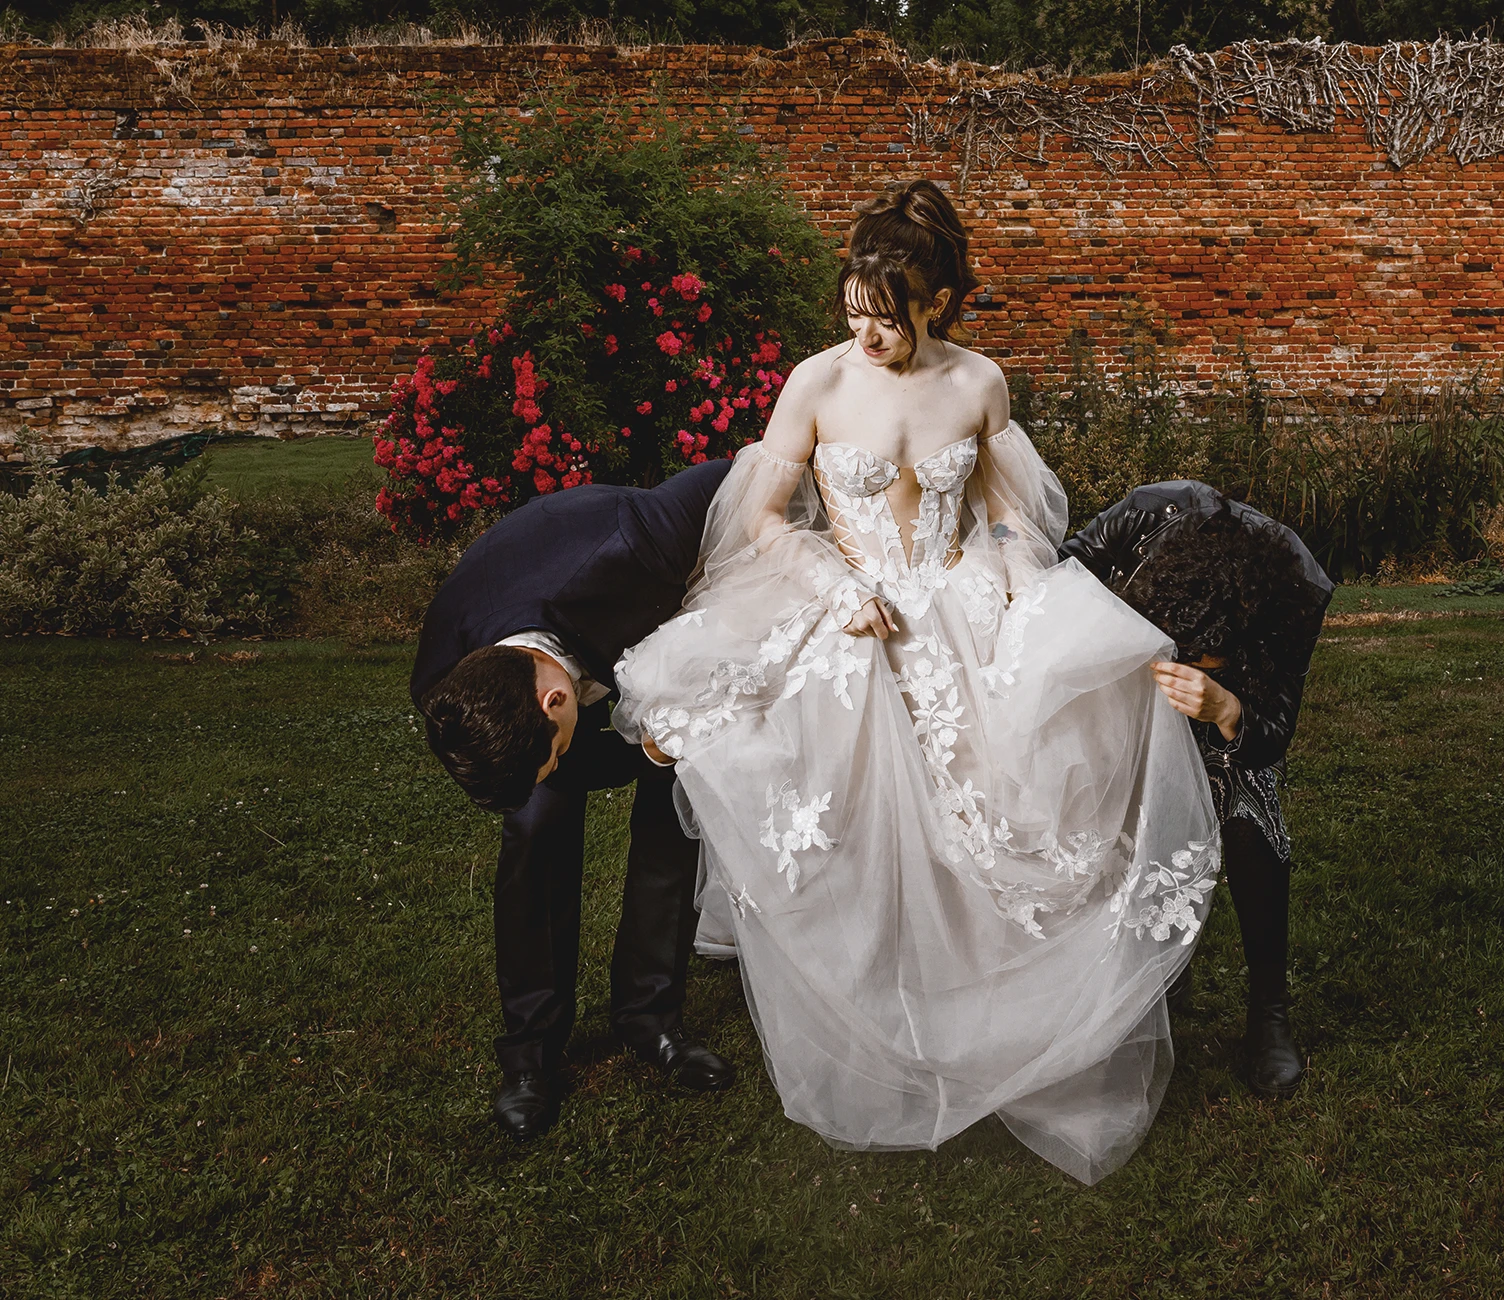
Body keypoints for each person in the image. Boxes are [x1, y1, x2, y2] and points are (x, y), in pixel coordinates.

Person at [612, 180, 1221, 1184]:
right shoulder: (817, 383)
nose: (866, 335)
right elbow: (763, 517)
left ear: (937, 303)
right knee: (849, 812)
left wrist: (1024, 588)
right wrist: (832, 584)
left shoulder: (980, 384)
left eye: (888, 319)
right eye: (854, 310)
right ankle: (870, 1005)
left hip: (955, 599)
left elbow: (1008, 511)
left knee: (988, 806)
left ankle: (983, 1007)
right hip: (848, 604)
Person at [411, 458, 737, 1141]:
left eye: (555, 753)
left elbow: (741, 472)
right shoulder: (445, 680)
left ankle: (651, 1020)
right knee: (535, 830)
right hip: (533, 644)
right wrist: (554, 769)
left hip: (642, 628)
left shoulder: (639, 537)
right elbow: (535, 767)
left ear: (555, 702)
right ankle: (530, 1055)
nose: (560, 765)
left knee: (671, 816)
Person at [1061, 485, 1333, 1098]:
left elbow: (1274, 735)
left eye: (1201, 655)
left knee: (1249, 809)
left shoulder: (1295, 589)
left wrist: (1229, 709)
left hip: (1227, 719)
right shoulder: (1144, 517)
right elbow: (1056, 580)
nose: (1187, 662)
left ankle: (1269, 1014)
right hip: (1121, 689)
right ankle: (1150, 971)